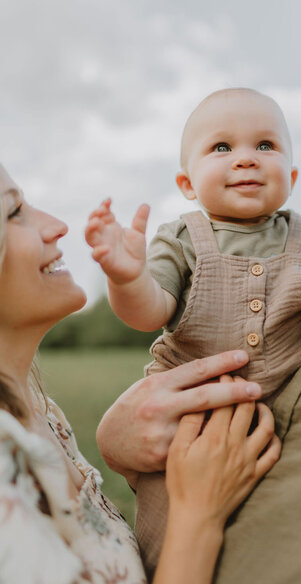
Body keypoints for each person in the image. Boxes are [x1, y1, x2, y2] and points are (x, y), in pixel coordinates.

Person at [96, 0, 301, 582]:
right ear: (186, 183)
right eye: (221, 149)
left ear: (290, 178)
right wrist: (125, 276)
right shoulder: (185, 237)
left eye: (265, 147)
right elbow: (153, 310)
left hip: (245, 445)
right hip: (187, 433)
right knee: (157, 535)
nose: (245, 161)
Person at [0, 163, 282, 584]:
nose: (58, 226)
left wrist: (126, 455)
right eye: (13, 211)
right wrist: (198, 514)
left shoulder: (41, 413)